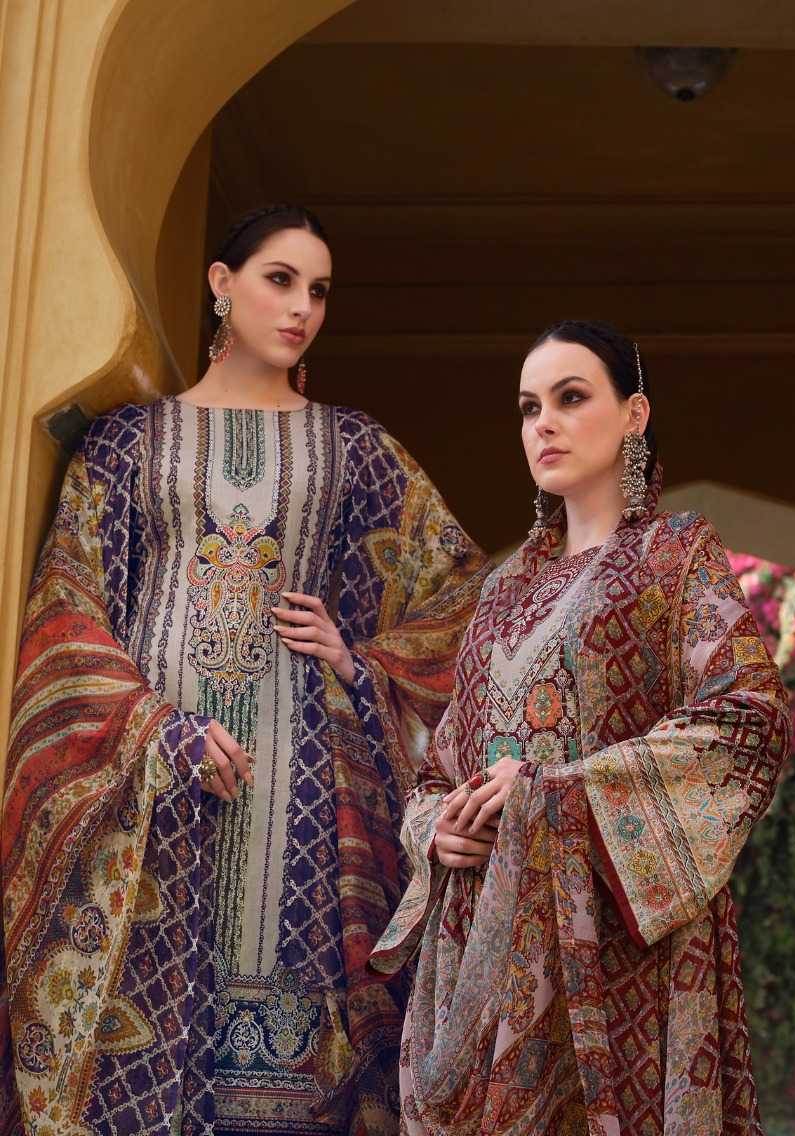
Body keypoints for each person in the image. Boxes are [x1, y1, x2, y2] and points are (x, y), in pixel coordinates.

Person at [0, 204, 488, 1134]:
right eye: (280, 280)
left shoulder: (355, 449)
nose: (303, 307)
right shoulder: (128, 441)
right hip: (146, 781)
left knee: (285, 1077)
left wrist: (361, 661)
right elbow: (68, 601)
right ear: (221, 284)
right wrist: (156, 730)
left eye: (320, 291)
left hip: (300, 799)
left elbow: (464, 595)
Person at [370, 320, 793, 1134]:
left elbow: (749, 717)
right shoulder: (503, 592)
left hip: (617, 954)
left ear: (635, 414)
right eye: (530, 407)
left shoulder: (674, 556)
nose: (545, 425)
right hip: (485, 954)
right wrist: (439, 830)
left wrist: (555, 794)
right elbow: (439, 770)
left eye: (571, 398)